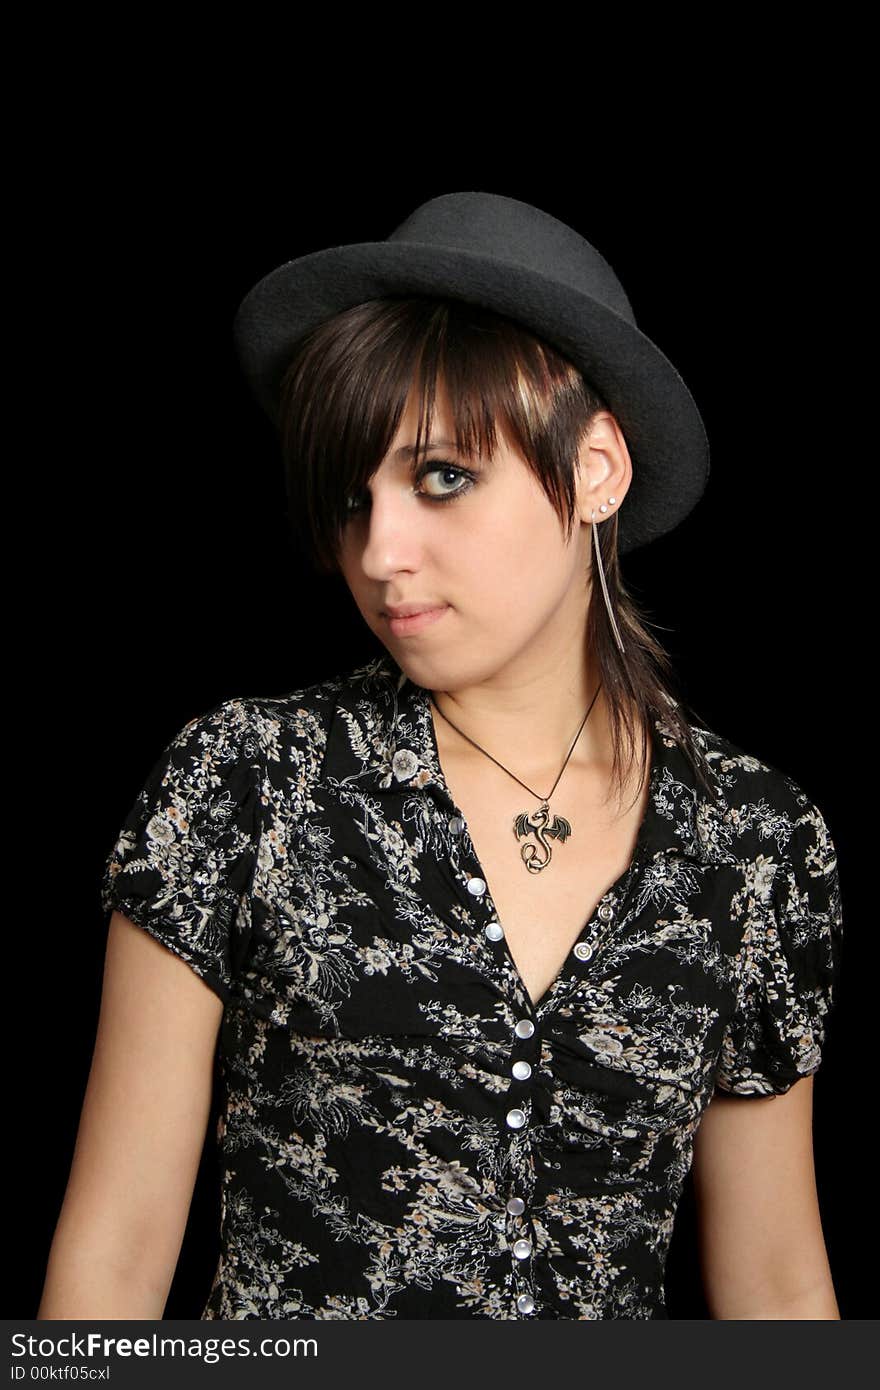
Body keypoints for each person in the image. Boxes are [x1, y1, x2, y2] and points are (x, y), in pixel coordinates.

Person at [38, 192, 843, 1320]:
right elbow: (113, 1261)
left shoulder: (756, 841)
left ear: (597, 468)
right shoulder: (247, 781)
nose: (379, 551)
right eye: (352, 496)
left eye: (442, 477)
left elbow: (774, 1282)